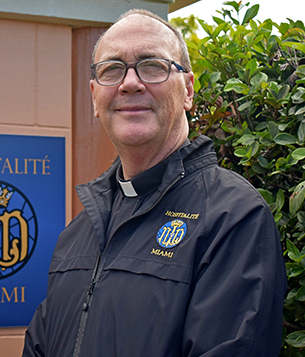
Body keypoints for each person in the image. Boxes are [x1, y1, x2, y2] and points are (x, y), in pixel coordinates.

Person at [22, 9, 286, 357]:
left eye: (152, 66)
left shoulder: (233, 218)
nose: (130, 83)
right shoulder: (79, 232)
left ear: (189, 90)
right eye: (112, 69)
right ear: (94, 97)